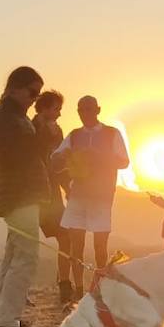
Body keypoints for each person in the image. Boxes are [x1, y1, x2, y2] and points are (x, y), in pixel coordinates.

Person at [0, 66, 49, 327]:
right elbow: (23, 155)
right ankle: (5, 323)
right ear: (14, 88)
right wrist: (45, 133)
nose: (35, 98)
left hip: (16, 195)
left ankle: (6, 317)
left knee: (14, 257)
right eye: (32, 92)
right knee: (25, 257)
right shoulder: (7, 119)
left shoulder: (11, 116)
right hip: (18, 195)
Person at [53, 96, 130, 294]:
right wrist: (61, 156)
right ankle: (79, 289)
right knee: (76, 244)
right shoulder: (74, 135)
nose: (85, 113)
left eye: (89, 109)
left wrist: (100, 157)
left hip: (102, 195)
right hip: (77, 195)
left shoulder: (112, 133)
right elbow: (57, 156)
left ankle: (100, 289)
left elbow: (124, 162)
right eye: (81, 110)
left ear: (98, 110)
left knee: (100, 246)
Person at [32, 90, 76, 304]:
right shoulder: (30, 129)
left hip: (52, 195)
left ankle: (65, 284)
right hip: (34, 193)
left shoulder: (57, 131)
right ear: (45, 108)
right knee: (25, 242)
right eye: (56, 108)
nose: (59, 113)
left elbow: (59, 164)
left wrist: (67, 186)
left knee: (65, 236)